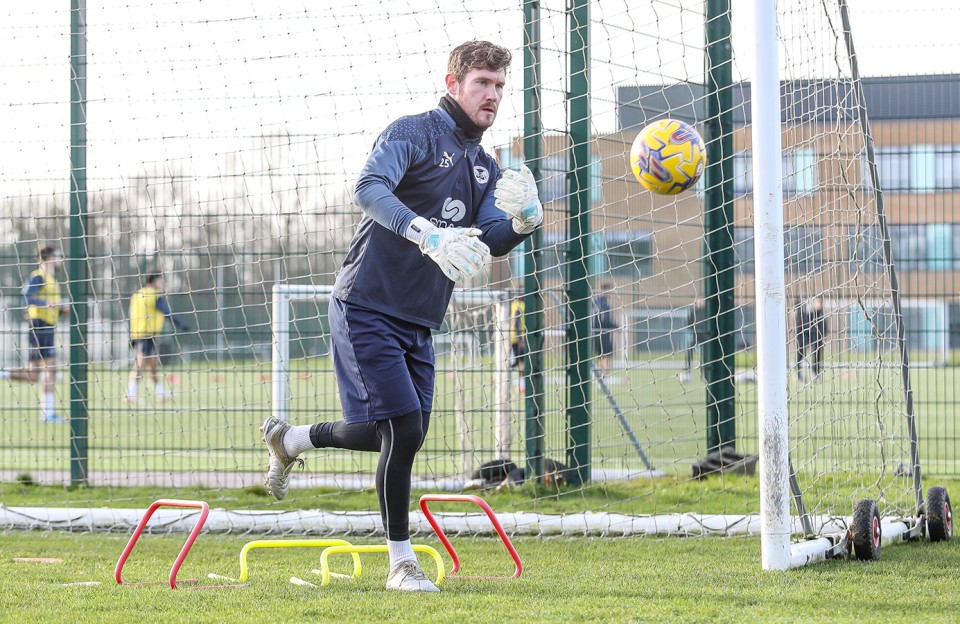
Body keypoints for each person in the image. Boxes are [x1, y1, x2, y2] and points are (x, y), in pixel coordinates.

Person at [258, 40, 541, 593]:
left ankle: (291, 440)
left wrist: (526, 222)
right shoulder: (413, 131)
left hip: (419, 318)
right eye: (483, 83)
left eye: (500, 86)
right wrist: (425, 231)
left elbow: (489, 236)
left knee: (386, 433)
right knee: (404, 430)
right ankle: (401, 562)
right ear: (453, 82)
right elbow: (368, 188)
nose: (493, 95)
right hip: (366, 303)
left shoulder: (485, 165)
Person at [0, 246, 69, 423]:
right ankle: (48, 414)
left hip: (46, 326)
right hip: (39, 326)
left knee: (34, 375)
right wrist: (45, 303)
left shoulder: (51, 279)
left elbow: (49, 305)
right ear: (50, 258)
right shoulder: (39, 276)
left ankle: (3, 373)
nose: (61, 259)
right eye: (58, 256)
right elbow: (26, 297)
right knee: (51, 370)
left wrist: (60, 310)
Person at [125, 273, 189, 405]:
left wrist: (131, 336)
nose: (162, 284)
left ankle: (161, 393)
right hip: (147, 335)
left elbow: (130, 315)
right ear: (154, 281)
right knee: (140, 365)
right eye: (160, 281)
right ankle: (130, 394)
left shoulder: (137, 295)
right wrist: (180, 323)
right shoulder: (153, 295)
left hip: (138, 334)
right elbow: (166, 311)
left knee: (152, 365)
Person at [796, 296, 827, 380]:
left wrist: (823, 335)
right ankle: (798, 373)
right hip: (806, 336)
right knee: (800, 352)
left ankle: (815, 372)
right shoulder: (810, 314)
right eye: (818, 302)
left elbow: (824, 325)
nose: (819, 304)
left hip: (817, 337)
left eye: (820, 302)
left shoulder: (822, 314)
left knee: (817, 354)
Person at [592, 282, 618, 376]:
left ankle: (600, 376)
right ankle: (603, 376)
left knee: (602, 357)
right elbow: (604, 320)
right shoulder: (604, 303)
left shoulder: (595, 301)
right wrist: (616, 326)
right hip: (603, 333)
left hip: (594, 333)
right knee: (608, 356)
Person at [681, 298, 706, 383]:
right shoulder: (693, 311)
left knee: (705, 356)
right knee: (689, 352)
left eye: (701, 301)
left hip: (705, 336)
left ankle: (703, 374)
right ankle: (687, 371)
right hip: (696, 335)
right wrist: (693, 330)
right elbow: (689, 322)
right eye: (698, 301)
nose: (700, 303)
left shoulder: (706, 311)